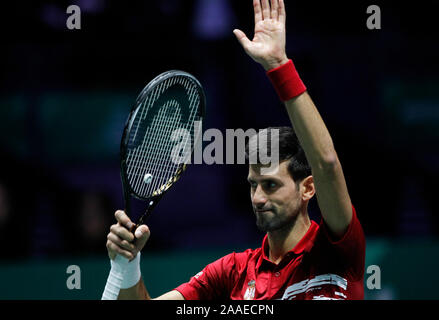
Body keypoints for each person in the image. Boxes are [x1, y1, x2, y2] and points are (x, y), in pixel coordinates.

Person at [104, 0, 365, 300]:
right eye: (253, 185)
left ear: (307, 188)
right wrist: (128, 264)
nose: (258, 198)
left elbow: (327, 163)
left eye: (270, 185)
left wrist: (279, 66)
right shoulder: (233, 273)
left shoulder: (337, 250)